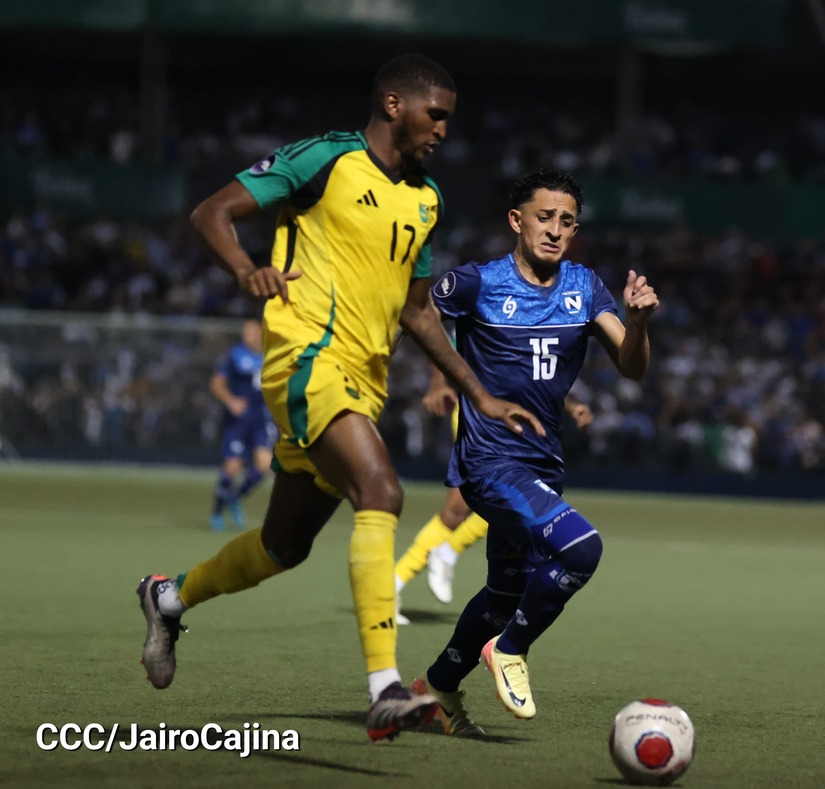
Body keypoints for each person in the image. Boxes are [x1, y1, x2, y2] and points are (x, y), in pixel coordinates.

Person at [135, 54, 543, 743]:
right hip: (304, 360)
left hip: (363, 382)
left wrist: (478, 392)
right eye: (434, 114)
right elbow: (213, 212)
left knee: (282, 546)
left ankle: (168, 597)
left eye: (449, 118)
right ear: (393, 105)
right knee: (381, 491)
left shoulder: (427, 200)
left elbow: (417, 312)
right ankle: (385, 688)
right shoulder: (325, 158)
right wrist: (247, 269)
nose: (443, 130)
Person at [409, 168, 658, 737]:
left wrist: (638, 323)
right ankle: (510, 649)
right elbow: (418, 317)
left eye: (566, 221)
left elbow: (633, 366)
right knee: (581, 550)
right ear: (516, 220)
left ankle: (437, 691)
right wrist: (438, 380)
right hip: (489, 463)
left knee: (506, 593)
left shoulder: (585, 287)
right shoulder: (477, 282)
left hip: (543, 464)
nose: (554, 229)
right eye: (544, 217)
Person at [394, 367, 593, 621]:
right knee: (506, 501)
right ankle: (445, 552)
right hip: (482, 413)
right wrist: (437, 382)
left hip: (514, 420)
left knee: (458, 513)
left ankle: (393, 584)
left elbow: (536, 374)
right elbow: (444, 344)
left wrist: (570, 405)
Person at [209, 317, 277, 531]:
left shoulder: (271, 355)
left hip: (262, 418)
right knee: (233, 466)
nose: (246, 335)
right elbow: (216, 384)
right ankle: (217, 511)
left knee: (265, 465)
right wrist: (231, 401)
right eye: (245, 332)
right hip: (239, 420)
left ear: (260, 333)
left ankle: (235, 498)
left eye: (251, 331)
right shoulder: (234, 355)